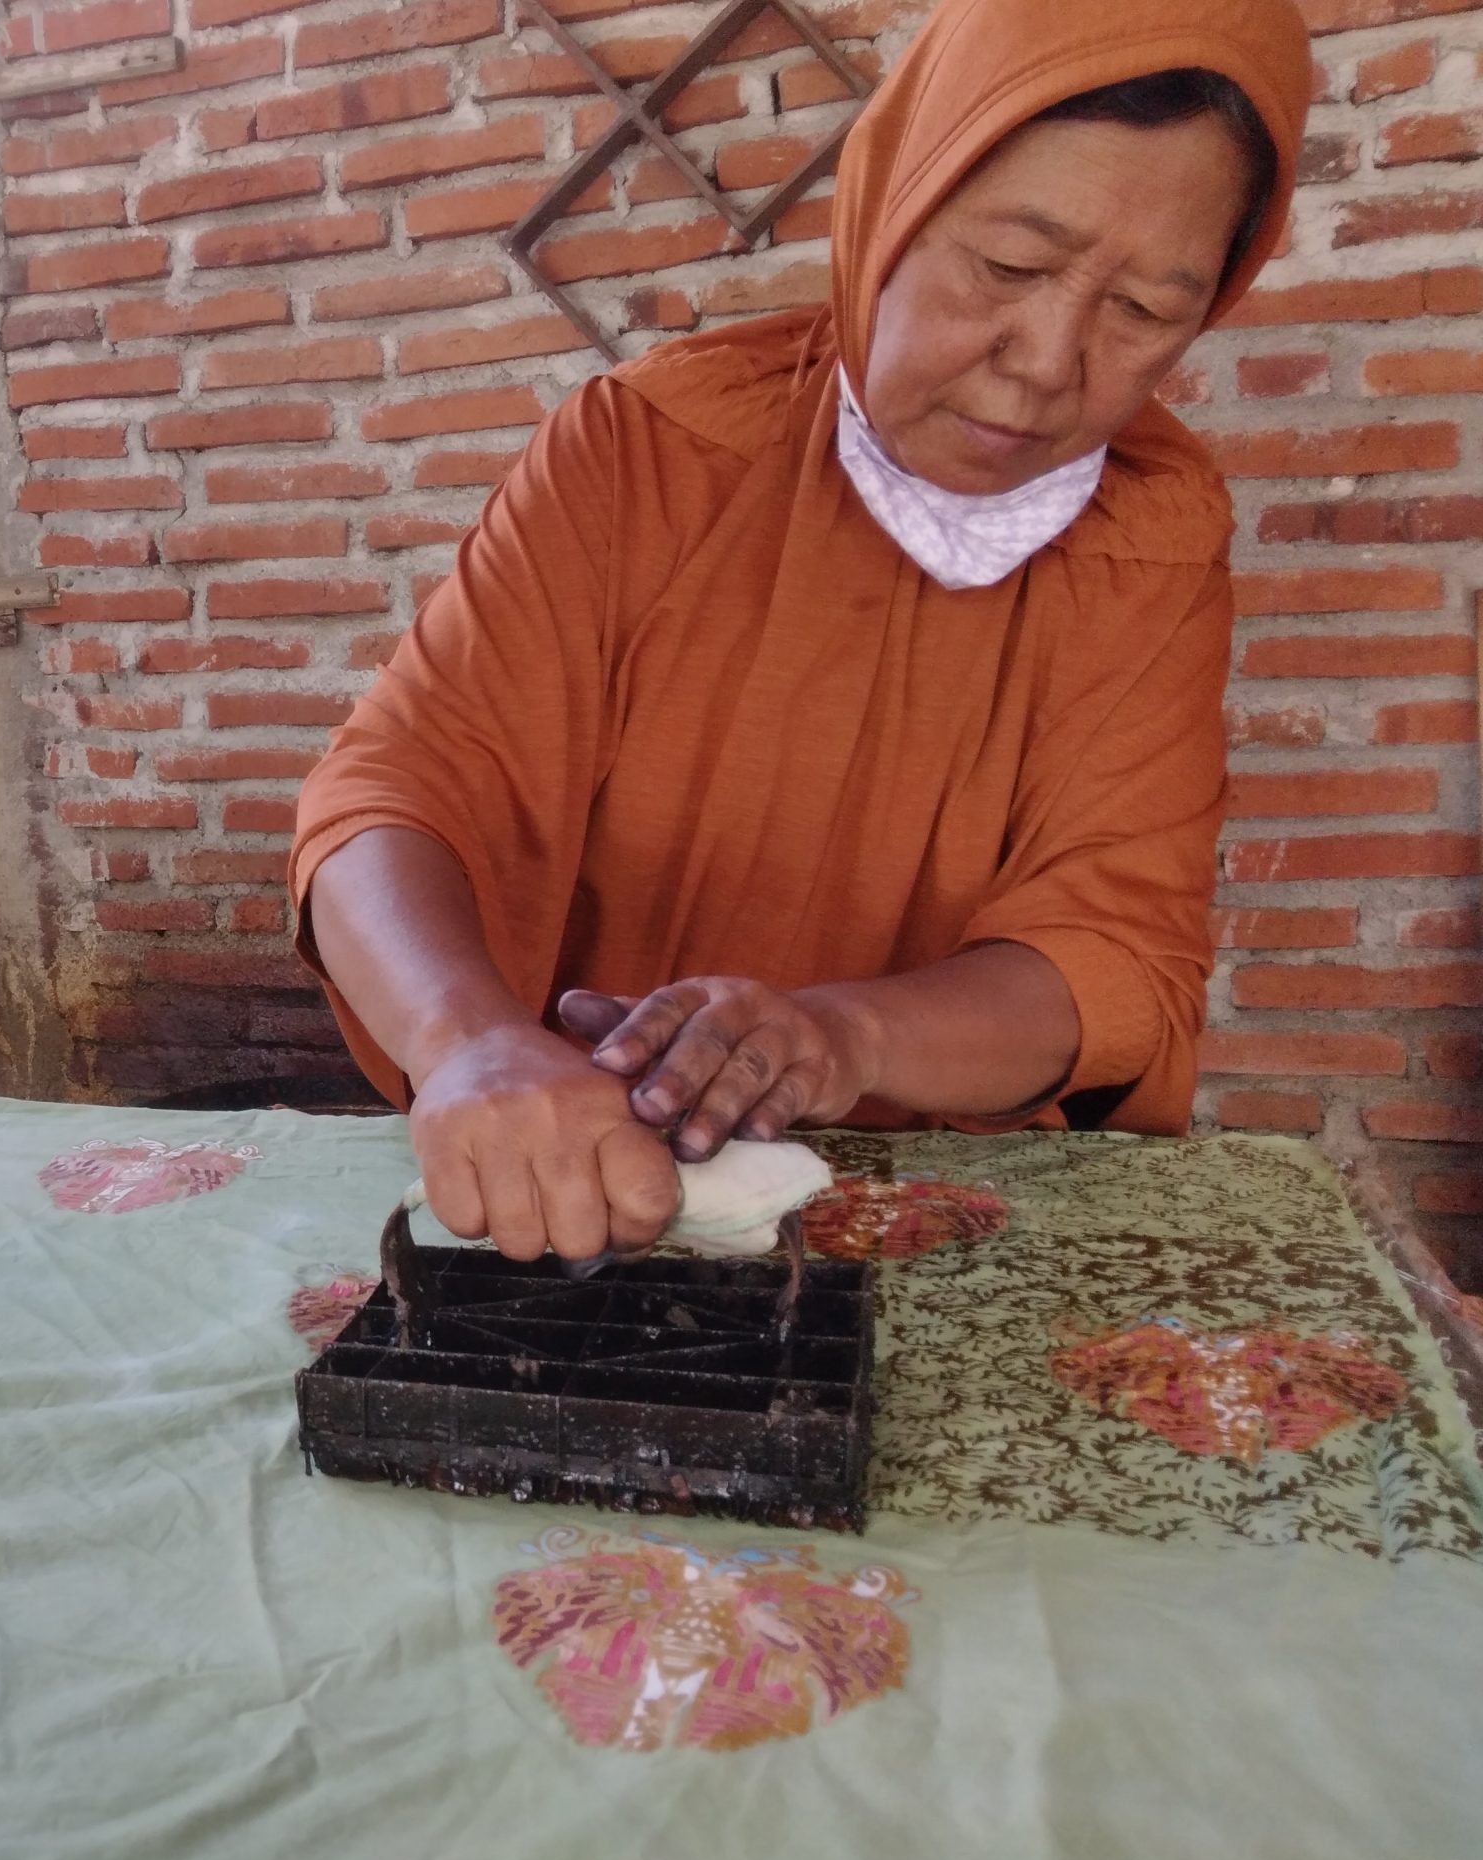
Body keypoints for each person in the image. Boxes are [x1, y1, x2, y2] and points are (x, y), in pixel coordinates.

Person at [286, 0, 1312, 1268]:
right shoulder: (650, 451)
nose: (1048, 362)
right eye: (1007, 267)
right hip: (583, 1179)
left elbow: (1112, 954)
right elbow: (393, 790)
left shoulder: (1146, 540)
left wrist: (840, 1037)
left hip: (929, 1218)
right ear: (890, 207)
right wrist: (466, 1043)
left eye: (1146, 310)